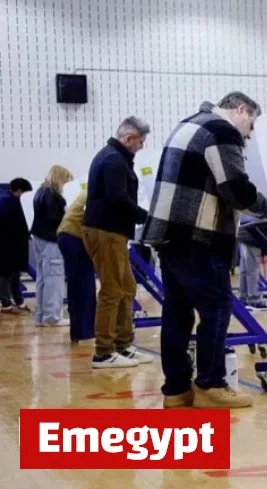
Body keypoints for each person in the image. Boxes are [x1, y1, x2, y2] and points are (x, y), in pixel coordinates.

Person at [142, 92, 267, 410]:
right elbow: (235, 188)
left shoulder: (189, 123)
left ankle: (176, 390)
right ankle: (211, 384)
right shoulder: (222, 130)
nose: (250, 134)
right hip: (197, 237)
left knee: (177, 312)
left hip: (169, 235)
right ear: (241, 110)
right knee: (216, 308)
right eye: (251, 124)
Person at [83, 116, 153, 369]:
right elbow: (118, 200)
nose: (141, 147)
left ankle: (123, 345)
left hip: (114, 232)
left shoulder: (116, 157)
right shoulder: (113, 159)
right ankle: (103, 352)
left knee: (127, 287)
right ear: (129, 138)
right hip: (106, 231)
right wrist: (147, 217)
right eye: (141, 142)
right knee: (112, 291)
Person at [31, 165, 74, 326]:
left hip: (38, 238)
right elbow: (55, 218)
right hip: (51, 241)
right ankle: (52, 317)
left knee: (42, 279)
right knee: (54, 279)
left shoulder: (40, 192)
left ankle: (42, 315)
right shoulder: (53, 196)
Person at [57, 188, 97, 343]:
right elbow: (89, 223)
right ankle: (84, 333)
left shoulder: (92, 190)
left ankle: (80, 332)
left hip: (68, 236)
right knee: (84, 287)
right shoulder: (98, 192)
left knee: (78, 286)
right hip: (74, 238)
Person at [0, 178, 34, 316]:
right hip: (6, 246)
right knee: (4, 274)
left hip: (14, 246)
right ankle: (6, 304)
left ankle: (19, 302)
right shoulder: (7, 202)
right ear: (19, 190)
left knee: (15, 273)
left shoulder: (11, 200)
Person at [236, 214, 267, 311]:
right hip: (250, 234)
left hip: (243, 232)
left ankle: (244, 298)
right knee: (252, 269)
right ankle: (254, 300)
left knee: (245, 269)